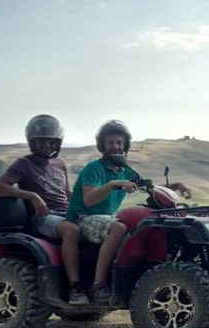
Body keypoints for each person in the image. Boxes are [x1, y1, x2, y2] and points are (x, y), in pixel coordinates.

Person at [66, 120, 191, 304]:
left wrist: (176, 186)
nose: (116, 147)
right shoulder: (94, 168)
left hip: (106, 217)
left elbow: (149, 188)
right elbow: (88, 199)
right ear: (103, 145)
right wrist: (111, 185)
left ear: (125, 145)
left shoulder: (125, 169)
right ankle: (98, 286)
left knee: (140, 224)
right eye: (111, 143)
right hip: (82, 217)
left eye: (119, 142)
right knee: (118, 228)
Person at [0, 114, 88, 305]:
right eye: (41, 142)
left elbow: (66, 193)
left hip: (65, 212)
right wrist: (32, 196)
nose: (46, 146)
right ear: (32, 143)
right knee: (71, 230)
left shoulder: (60, 164)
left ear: (57, 143)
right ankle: (75, 288)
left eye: (51, 142)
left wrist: (84, 208)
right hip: (43, 217)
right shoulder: (24, 164)